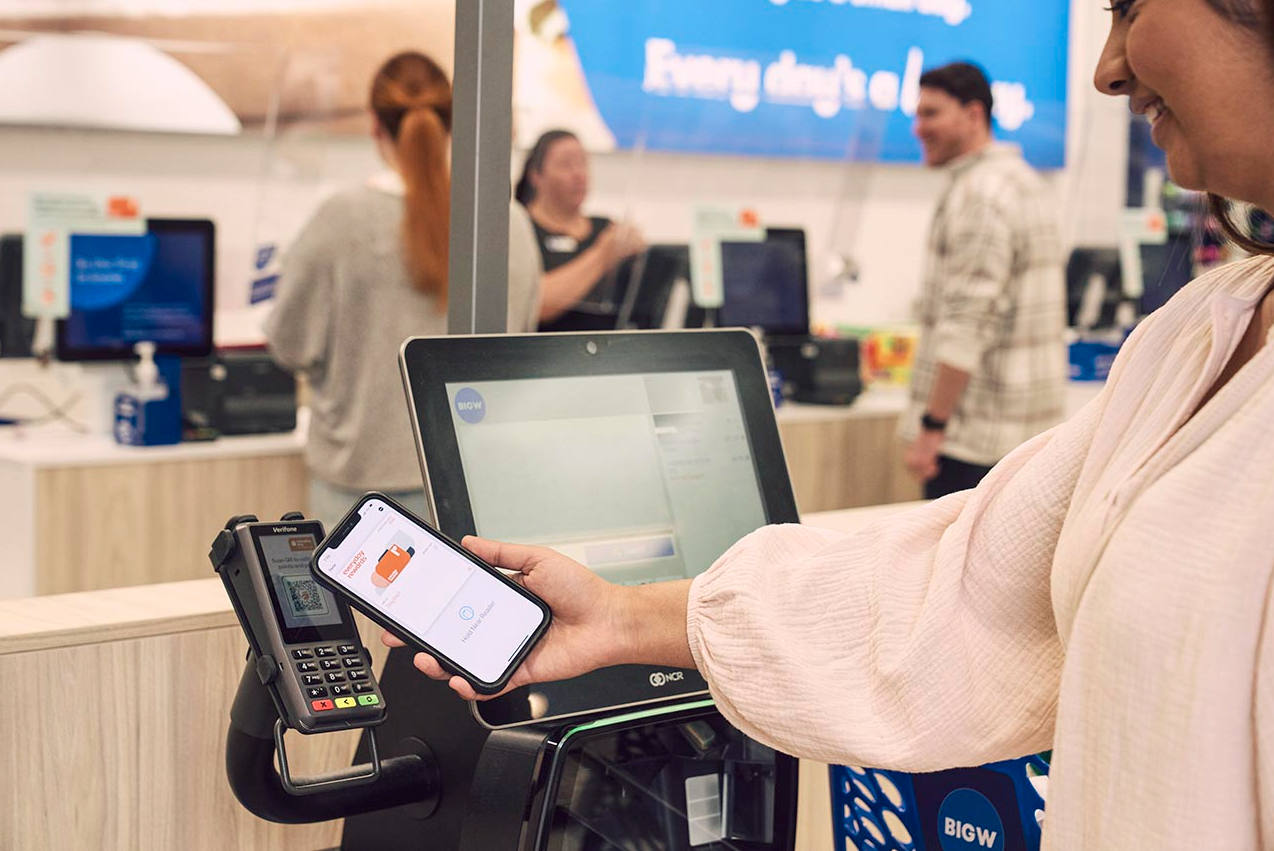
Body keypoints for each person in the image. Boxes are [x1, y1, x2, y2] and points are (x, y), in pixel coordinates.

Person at [389, 0, 1274, 845]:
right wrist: (625, 616)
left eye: (1133, 8)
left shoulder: (1007, 210)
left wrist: (929, 421)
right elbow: (963, 589)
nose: (1105, 69)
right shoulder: (1202, 330)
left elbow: (964, 331)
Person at [266, 51, 542, 528]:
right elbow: (521, 338)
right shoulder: (508, 221)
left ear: (375, 125)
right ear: (452, 122)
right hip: (483, 486)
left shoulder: (340, 220)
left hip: (363, 493)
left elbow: (288, 343)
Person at [900, 62, 1068, 499]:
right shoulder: (1026, 183)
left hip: (974, 444)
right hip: (1026, 437)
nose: (919, 128)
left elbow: (967, 323)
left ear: (974, 114)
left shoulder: (980, 195)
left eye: (931, 113)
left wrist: (932, 429)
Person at [515, 129, 645, 331]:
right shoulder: (521, 230)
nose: (578, 174)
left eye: (582, 163)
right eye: (566, 164)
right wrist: (602, 255)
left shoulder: (606, 228)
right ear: (536, 175)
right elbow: (535, 303)